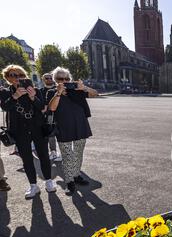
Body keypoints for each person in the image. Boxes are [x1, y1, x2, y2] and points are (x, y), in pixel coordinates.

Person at [0, 65, 56, 199]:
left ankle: (48, 181)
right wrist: (15, 96)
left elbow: (42, 107)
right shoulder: (5, 92)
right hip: (19, 130)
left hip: (37, 126)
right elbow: (5, 107)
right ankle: (33, 186)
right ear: (7, 78)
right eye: (12, 75)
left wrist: (33, 97)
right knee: (27, 159)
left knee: (43, 155)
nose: (17, 78)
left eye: (19, 75)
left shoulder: (35, 89)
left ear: (24, 76)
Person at [47, 67, 98, 196]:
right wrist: (58, 93)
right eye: (60, 78)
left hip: (80, 126)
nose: (64, 81)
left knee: (78, 154)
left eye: (66, 78)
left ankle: (76, 175)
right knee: (67, 156)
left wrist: (84, 88)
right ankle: (69, 181)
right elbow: (52, 108)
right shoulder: (52, 92)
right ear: (55, 80)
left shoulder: (77, 91)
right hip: (63, 128)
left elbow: (95, 93)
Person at [39, 73, 62, 162]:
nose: (49, 79)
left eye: (50, 77)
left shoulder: (58, 89)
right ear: (43, 80)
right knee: (50, 134)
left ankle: (63, 152)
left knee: (61, 134)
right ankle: (53, 152)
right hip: (48, 116)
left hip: (60, 115)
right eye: (46, 78)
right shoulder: (40, 91)